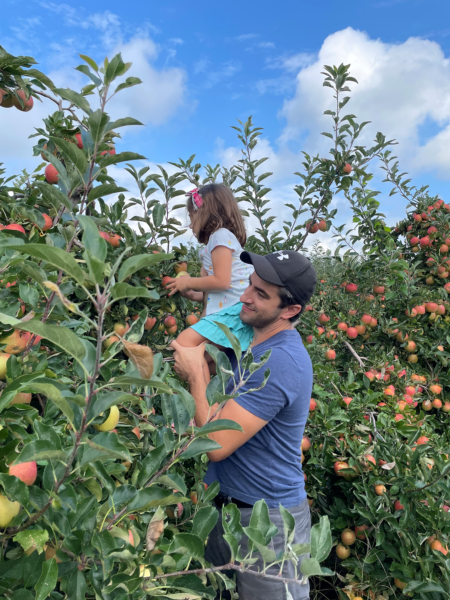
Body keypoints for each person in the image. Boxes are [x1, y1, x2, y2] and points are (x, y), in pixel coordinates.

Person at [170, 249, 317, 600]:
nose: (245, 298)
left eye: (261, 295)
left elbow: (217, 443)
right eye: (250, 285)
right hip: (222, 510)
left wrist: (196, 374)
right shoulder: (247, 339)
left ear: (290, 310)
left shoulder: (280, 360)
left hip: (268, 524)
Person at [165, 184, 254, 355]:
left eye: (192, 217)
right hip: (232, 311)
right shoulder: (215, 243)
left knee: (184, 346)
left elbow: (221, 281)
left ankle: (201, 382)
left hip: (234, 313)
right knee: (205, 359)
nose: (190, 225)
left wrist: (188, 281)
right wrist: (192, 294)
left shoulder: (220, 235)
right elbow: (218, 291)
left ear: (205, 213)